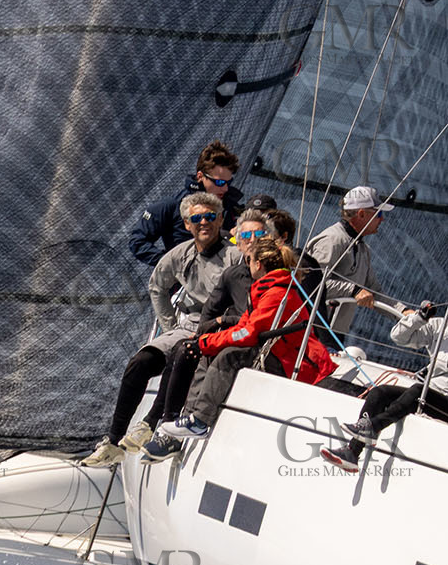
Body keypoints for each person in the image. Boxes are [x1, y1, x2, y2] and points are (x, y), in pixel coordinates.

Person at [85, 193, 247, 465]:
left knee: (180, 354)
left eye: (210, 217)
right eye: (196, 218)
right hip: (189, 324)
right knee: (140, 362)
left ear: (221, 219)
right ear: (187, 224)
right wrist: (169, 325)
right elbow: (157, 286)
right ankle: (113, 442)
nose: (203, 222)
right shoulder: (181, 254)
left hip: (219, 326)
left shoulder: (235, 256)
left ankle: (152, 424)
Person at [142, 237, 335, 461]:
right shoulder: (267, 288)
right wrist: (206, 341)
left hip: (294, 362)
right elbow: (245, 325)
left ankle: (200, 420)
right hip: (280, 353)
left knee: (228, 357)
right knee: (208, 351)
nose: (246, 264)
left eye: (249, 260)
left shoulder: (277, 293)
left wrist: (207, 342)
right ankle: (186, 421)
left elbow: (247, 333)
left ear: (258, 264)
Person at [135, 208, 275, 447]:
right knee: (189, 349)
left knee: (220, 356)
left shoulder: (277, 274)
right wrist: (204, 334)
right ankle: (169, 425)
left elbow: (254, 322)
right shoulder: (233, 274)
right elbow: (210, 310)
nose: (251, 241)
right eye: (245, 236)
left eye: (258, 234)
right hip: (241, 335)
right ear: (238, 243)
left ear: (269, 239)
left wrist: (224, 326)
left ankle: (196, 420)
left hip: (262, 342)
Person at [321, 302, 448, 472]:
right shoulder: (440, 326)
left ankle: (373, 427)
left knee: (417, 392)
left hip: (440, 400)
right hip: (430, 393)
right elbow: (399, 337)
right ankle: (352, 452)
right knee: (379, 393)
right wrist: (419, 318)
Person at [129, 139, 245, 265]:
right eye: (220, 182)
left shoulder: (230, 207)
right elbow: (137, 241)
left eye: (228, 182)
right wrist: (171, 264)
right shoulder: (173, 205)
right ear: (200, 176)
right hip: (183, 281)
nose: (225, 188)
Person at [299, 185, 389, 334]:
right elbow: (310, 284)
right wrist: (354, 290)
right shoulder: (332, 240)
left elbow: (374, 291)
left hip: (335, 334)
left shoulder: (362, 248)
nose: (382, 219)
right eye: (378, 214)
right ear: (361, 214)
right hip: (312, 333)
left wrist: (407, 313)